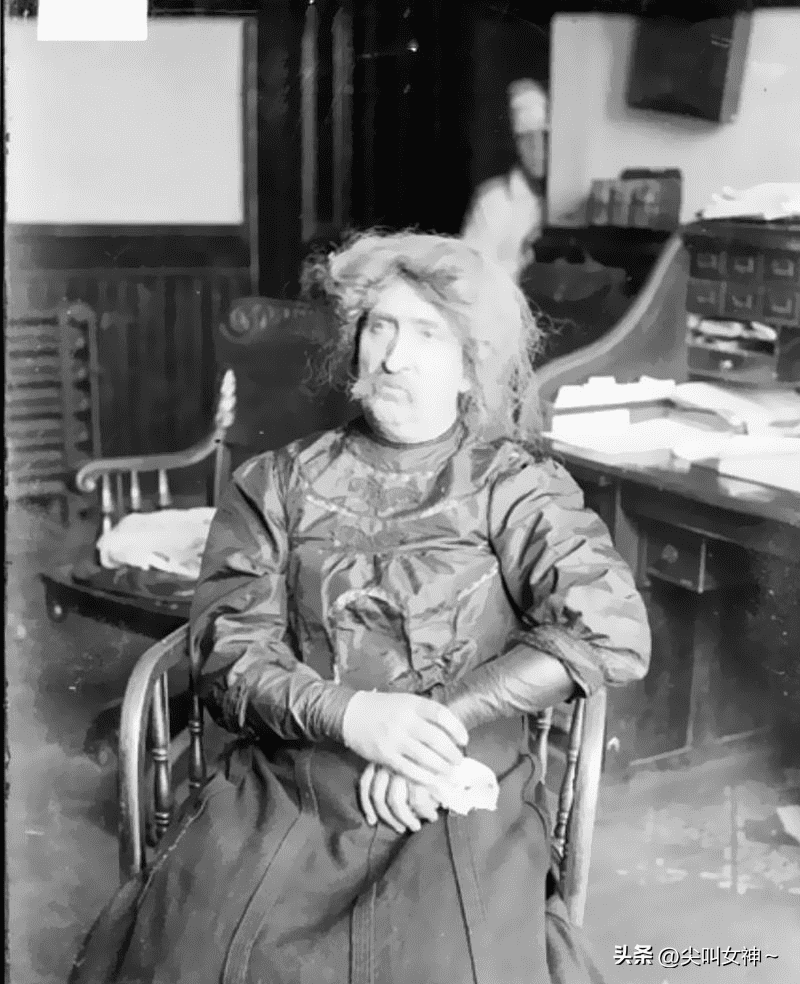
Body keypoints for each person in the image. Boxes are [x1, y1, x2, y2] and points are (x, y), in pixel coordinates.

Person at [70, 231, 650, 984]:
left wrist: (429, 730)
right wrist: (354, 717)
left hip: (457, 779)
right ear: (353, 343)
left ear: (470, 368)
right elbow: (226, 650)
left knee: (442, 959)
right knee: (200, 945)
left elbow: (610, 631)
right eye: (380, 326)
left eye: (427, 333)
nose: (394, 356)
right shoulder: (275, 482)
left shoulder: (515, 487)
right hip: (293, 778)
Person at [462, 79, 549, 281]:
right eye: (527, 139)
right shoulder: (494, 199)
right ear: (516, 144)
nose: (536, 149)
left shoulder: (558, 199)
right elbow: (470, 274)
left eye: (543, 137)